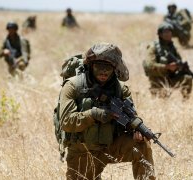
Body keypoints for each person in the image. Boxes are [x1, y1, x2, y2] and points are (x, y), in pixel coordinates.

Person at [59, 43, 155, 180]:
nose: (103, 72)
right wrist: (94, 114)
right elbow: (66, 122)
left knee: (142, 143)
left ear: (114, 69)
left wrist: (137, 131)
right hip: (82, 151)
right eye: (99, 66)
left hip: (110, 147)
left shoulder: (121, 90)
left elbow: (131, 117)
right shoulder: (73, 86)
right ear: (91, 66)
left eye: (108, 68)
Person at [143, 22, 193, 99]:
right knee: (163, 100)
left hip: (170, 77)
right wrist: (167, 67)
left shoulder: (172, 47)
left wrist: (180, 67)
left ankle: (186, 101)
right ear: (160, 34)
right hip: (157, 80)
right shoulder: (153, 47)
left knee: (187, 78)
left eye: (170, 31)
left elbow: (178, 61)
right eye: (166, 32)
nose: (168, 34)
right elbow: (150, 65)